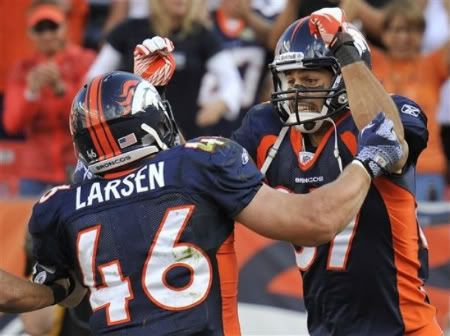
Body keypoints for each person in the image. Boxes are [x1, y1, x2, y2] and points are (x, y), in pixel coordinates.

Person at [0, 68, 403, 335]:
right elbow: (315, 222)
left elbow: (56, 294)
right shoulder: (201, 162)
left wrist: (57, 290)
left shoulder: (61, 205)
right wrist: (367, 162)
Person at [231, 8, 443, 335]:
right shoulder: (267, 129)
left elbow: (388, 136)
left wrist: (344, 48)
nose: (297, 91)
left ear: (345, 76)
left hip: (403, 327)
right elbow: (204, 172)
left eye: (311, 80)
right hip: (327, 327)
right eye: (291, 79)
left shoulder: (387, 112)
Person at [86, 0, 242, 140]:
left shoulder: (202, 35)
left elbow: (232, 81)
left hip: (186, 135)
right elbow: (94, 78)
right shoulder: (128, 30)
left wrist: (222, 103)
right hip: (136, 136)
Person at [2, 1, 96, 196]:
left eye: (53, 27)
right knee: (31, 225)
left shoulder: (84, 60)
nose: (47, 35)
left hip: (78, 163)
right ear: (31, 34)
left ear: (65, 28)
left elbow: (92, 114)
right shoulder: (22, 68)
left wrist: (62, 89)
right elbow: (12, 123)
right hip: (35, 170)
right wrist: (32, 92)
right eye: (40, 29)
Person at [370, 0, 449, 201]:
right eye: (397, 30)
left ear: (422, 34)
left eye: (412, 30)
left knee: (427, 233)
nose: (404, 37)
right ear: (384, 34)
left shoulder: (432, 65)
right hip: (379, 168)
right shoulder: (370, 63)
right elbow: (338, 37)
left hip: (425, 169)